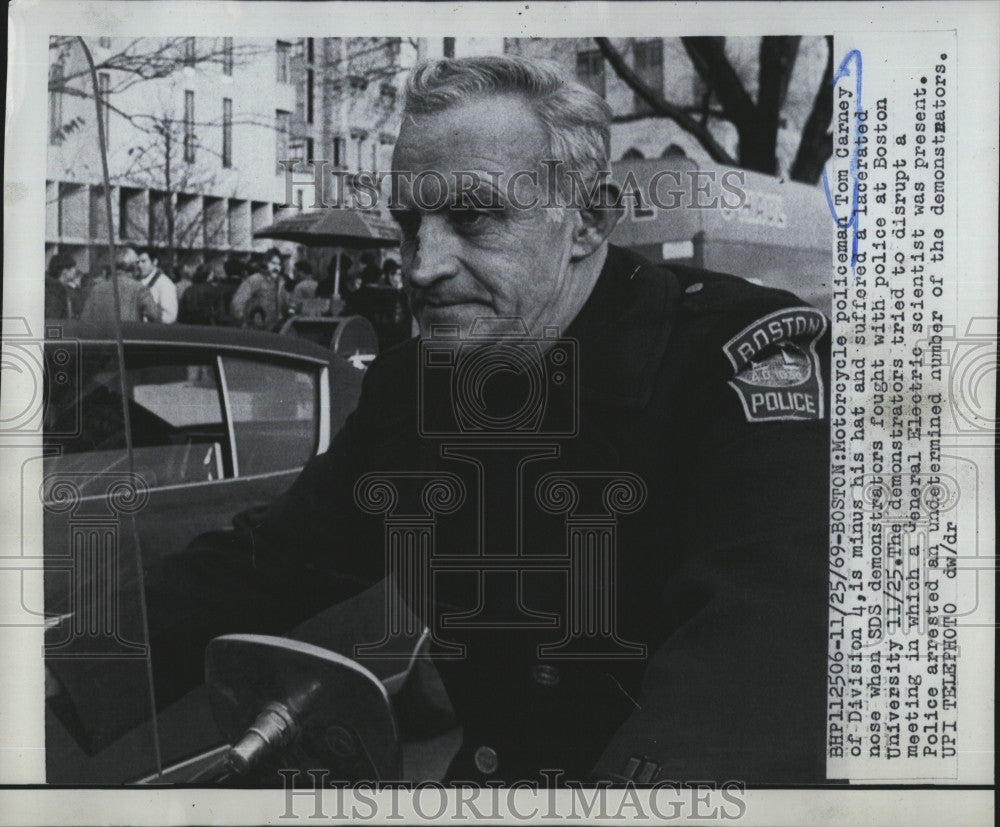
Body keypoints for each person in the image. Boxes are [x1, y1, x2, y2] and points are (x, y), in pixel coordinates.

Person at [51, 56, 831, 786]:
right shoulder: (421, 391)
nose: (422, 265)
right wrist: (57, 673)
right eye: (409, 225)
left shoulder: (731, 366)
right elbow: (266, 560)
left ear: (589, 221)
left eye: (474, 218)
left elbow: (748, 682)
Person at [79, 246, 161, 323]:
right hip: (129, 336)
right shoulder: (140, 289)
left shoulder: (96, 289)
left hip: (102, 336)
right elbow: (155, 316)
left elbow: (84, 319)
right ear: (134, 268)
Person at [228, 247, 287, 327]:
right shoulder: (255, 280)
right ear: (266, 263)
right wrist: (245, 322)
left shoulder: (281, 282)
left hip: (276, 329)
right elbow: (237, 303)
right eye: (273, 263)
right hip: (257, 330)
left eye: (279, 264)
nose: (276, 267)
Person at [136, 248, 178, 323]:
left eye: (143, 261)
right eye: (138, 262)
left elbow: (170, 316)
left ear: (154, 262)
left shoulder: (165, 284)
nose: (139, 265)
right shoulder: (138, 281)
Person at [45, 251, 85, 319]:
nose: (75, 270)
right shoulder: (55, 292)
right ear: (64, 271)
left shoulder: (53, 288)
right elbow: (53, 319)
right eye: (73, 267)